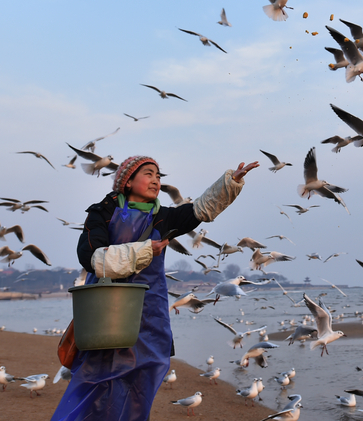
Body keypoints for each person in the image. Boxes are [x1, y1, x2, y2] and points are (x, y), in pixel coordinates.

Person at [51, 155, 258, 421]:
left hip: (149, 312)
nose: (156, 180)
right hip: (107, 310)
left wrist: (231, 181)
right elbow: (91, 257)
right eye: (148, 174)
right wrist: (144, 250)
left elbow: (200, 210)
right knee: (98, 377)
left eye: (159, 176)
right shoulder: (103, 211)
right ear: (127, 181)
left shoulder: (163, 216)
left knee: (145, 374)